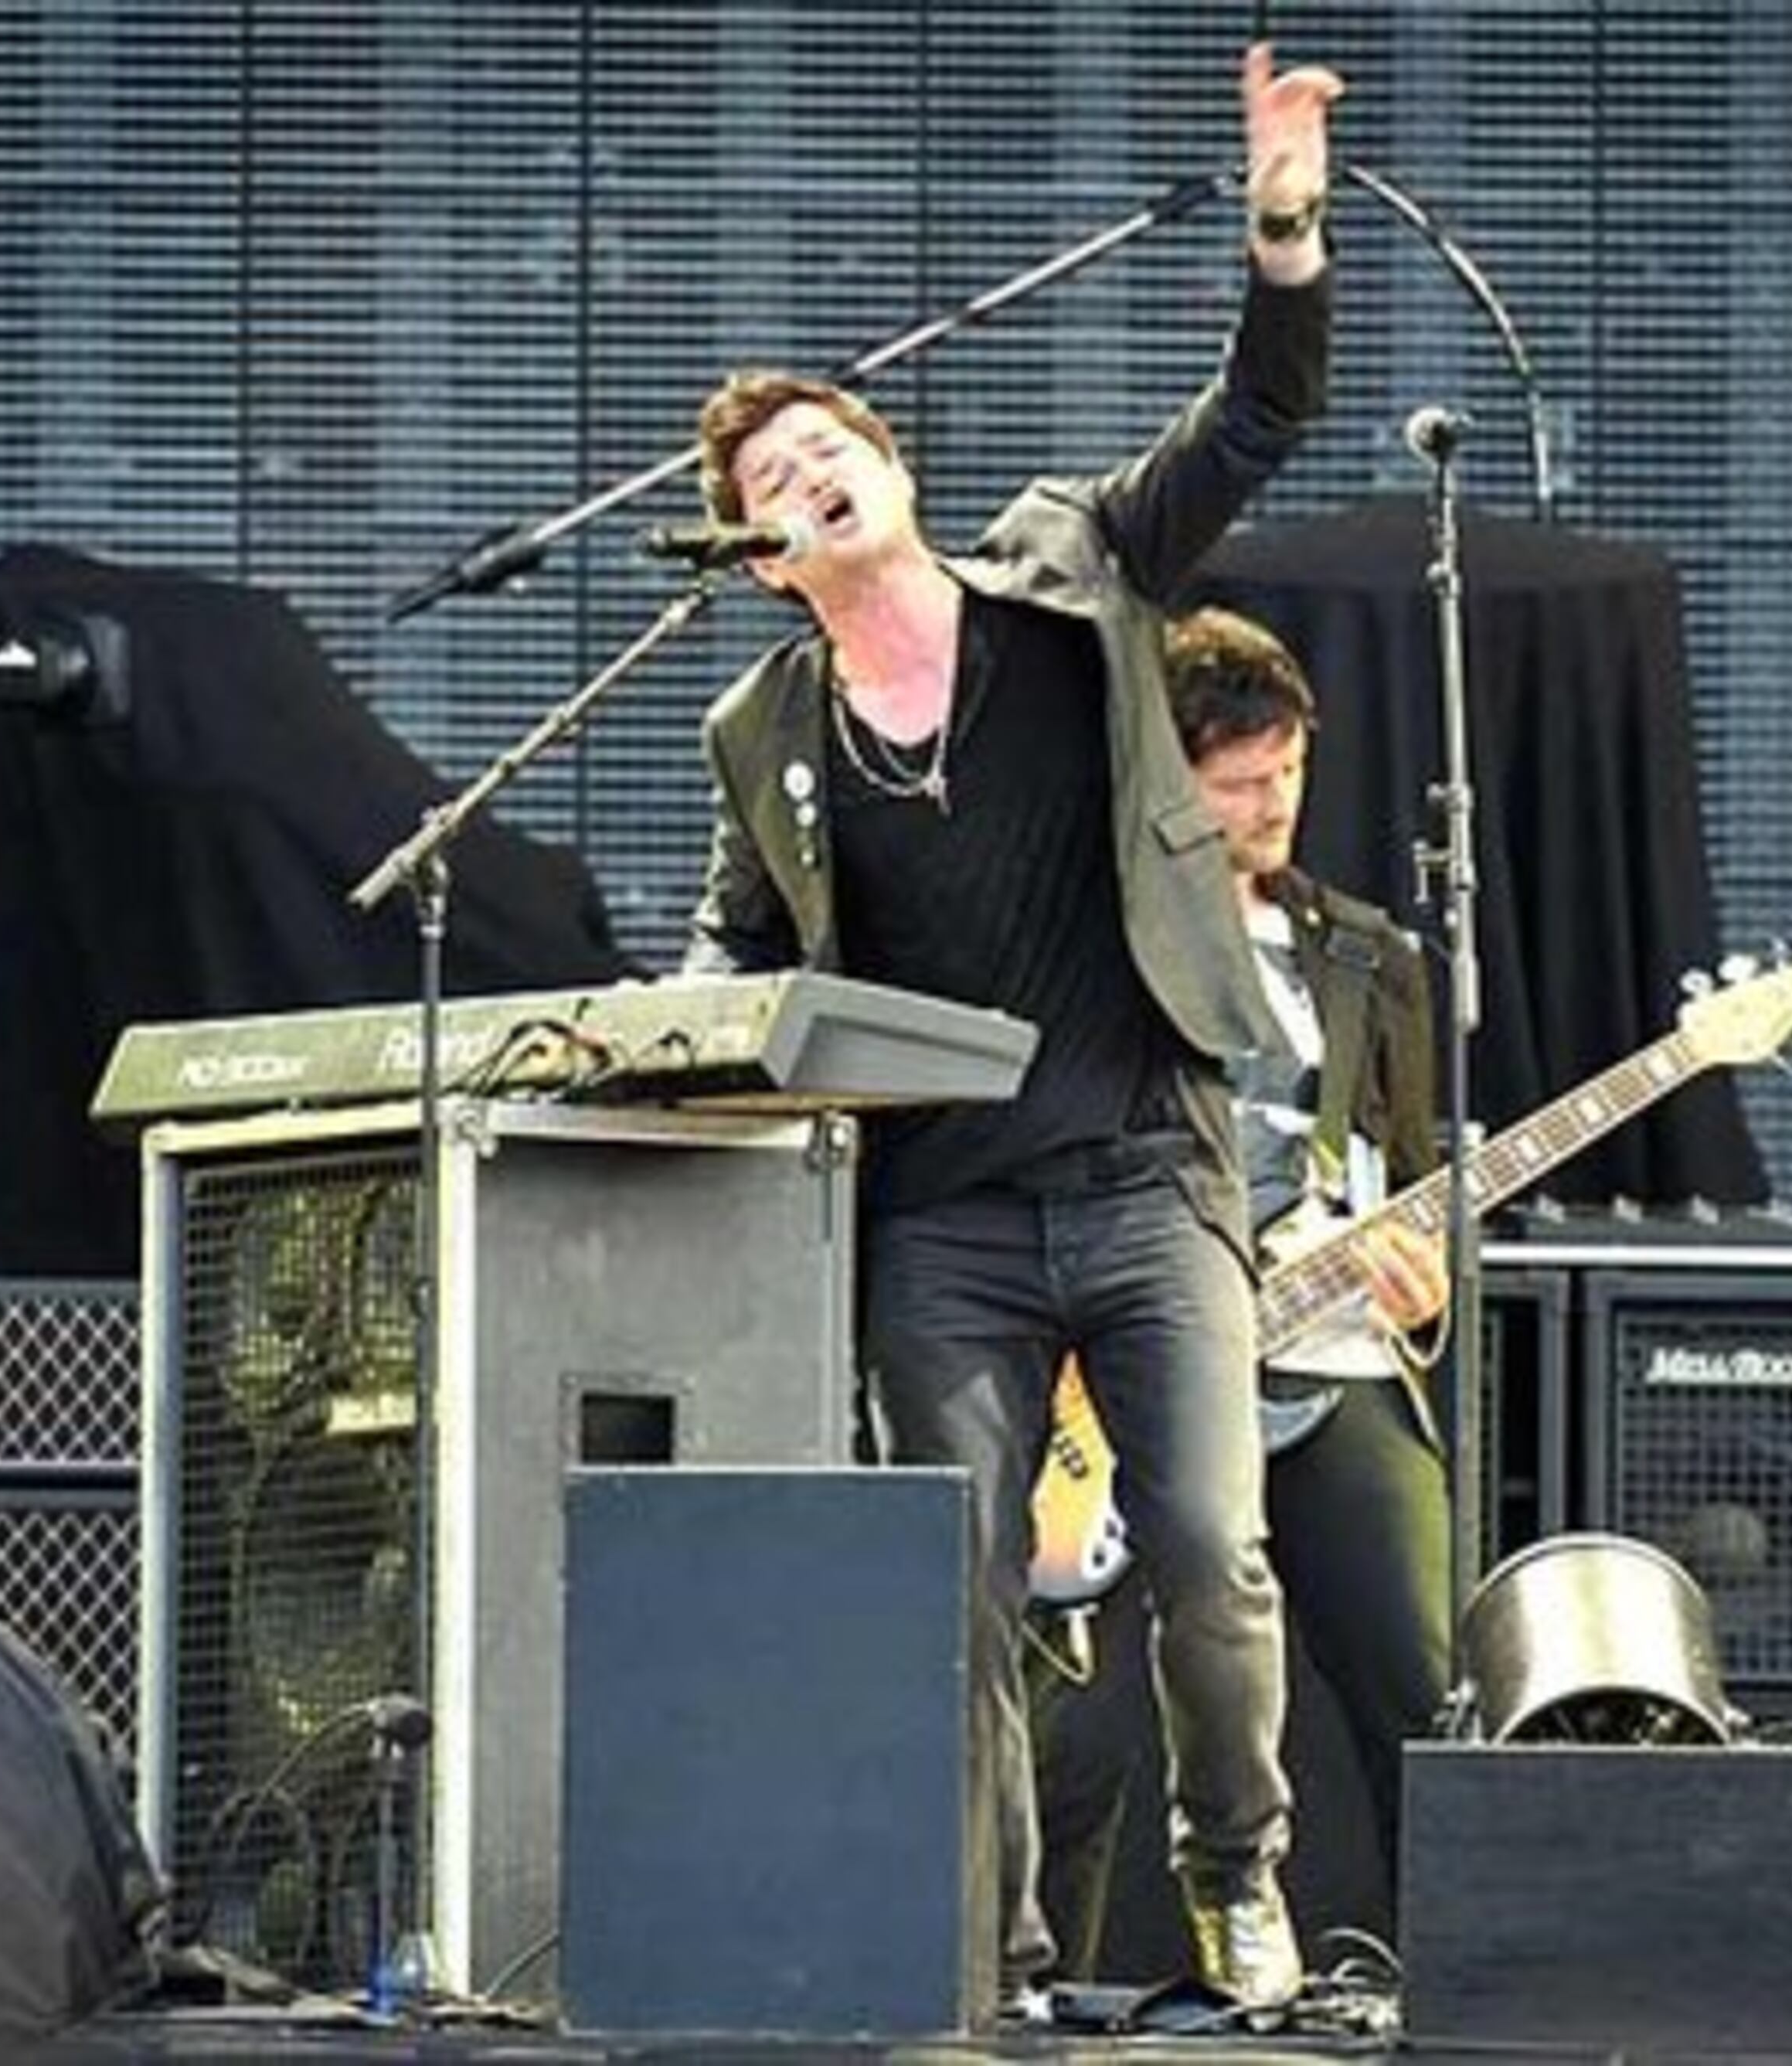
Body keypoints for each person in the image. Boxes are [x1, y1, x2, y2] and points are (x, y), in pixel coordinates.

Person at [681, 46, 1345, 2012]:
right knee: (947, 1596)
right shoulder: (762, 733)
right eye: (765, 489)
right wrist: (704, 1027)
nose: (807, 479)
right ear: (753, 559)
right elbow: (742, 945)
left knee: (1212, 1545)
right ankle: (989, 1943)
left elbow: (1256, 414)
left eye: (826, 450)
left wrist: (1281, 227)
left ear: (886, 468)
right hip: (939, 1221)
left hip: (1142, 1164)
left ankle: (1233, 1869)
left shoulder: (1072, 564)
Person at [1027, 605, 1454, 1981]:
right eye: (1237, 781)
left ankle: (1457, 1986)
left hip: (1328, 1359)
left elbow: (1412, 1167)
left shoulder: (1368, 955)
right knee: (1069, 1726)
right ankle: (1029, 1990)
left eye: (1289, 774)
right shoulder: (1078, 945)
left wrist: (1421, 1279)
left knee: (1420, 1677)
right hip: (1117, 1355)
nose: (1272, 806)